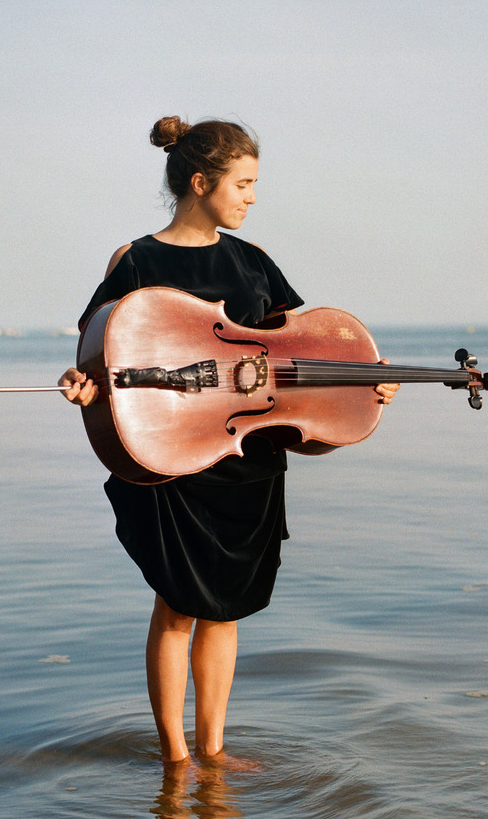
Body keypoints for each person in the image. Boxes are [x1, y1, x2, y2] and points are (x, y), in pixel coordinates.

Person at [59, 116, 399, 765]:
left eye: (254, 184)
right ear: (199, 181)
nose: (251, 196)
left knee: (224, 609)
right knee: (178, 604)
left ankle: (212, 751)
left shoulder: (254, 263)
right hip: (171, 452)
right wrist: (87, 385)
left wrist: (366, 384)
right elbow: (101, 352)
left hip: (249, 455)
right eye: (242, 183)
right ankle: (176, 757)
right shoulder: (136, 261)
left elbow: (300, 352)